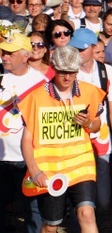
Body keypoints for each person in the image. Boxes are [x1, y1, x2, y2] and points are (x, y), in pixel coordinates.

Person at [19, 45, 106, 233]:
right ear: (53, 67)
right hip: (51, 171)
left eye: (72, 72)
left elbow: (97, 125)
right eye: (62, 72)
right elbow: (26, 139)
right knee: (51, 226)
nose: (67, 77)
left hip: (81, 165)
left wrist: (88, 123)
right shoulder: (36, 97)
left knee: (87, 215)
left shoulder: (90, 92)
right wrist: (35, 172)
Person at [68, 28, 112, 222]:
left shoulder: (107, 71)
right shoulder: (68, 72)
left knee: (102, 200)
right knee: (82, 201)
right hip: (75, 145)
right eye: (74, 48)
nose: (76, 53)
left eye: (81, 49)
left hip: (102, 145)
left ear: (93, 48)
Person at [0, 32, 45, 233]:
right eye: (3, 52)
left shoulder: (41, 83)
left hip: (29, 159)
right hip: (1, 157)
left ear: (26, 55)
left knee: (32, 212)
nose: (4, 56)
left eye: (10, 53)